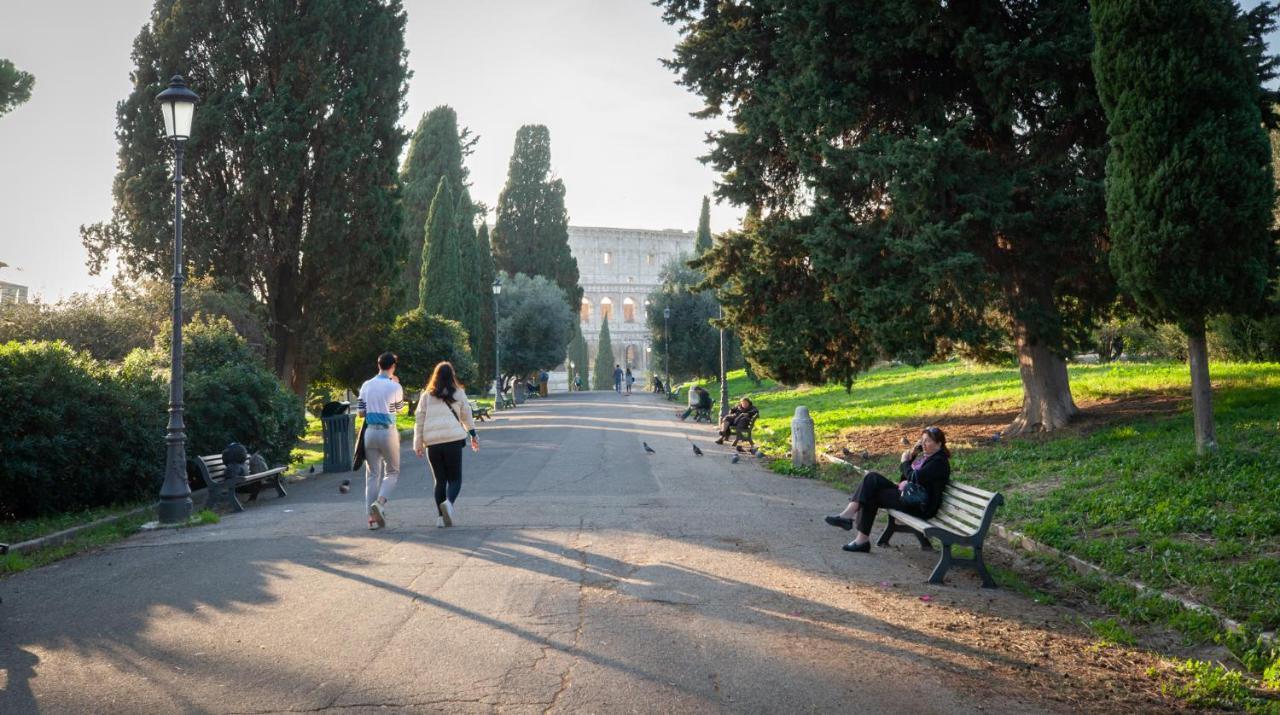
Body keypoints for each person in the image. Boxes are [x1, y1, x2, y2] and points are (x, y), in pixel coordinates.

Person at [824, 426, 951, 552]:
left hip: (921, 505)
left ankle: (857, 534)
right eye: (922, 440)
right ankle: (852, 524)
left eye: (927, 441)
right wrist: (912, 456)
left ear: (939, 444)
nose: (923, 444)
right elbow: (905, 478)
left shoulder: (939, 461)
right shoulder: (927, 458)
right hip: (911, 496)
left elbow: (913, 478)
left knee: (872, 492)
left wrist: (905, 462)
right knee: (871, 478)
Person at [413, 361, 479, 528]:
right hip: (453, 441)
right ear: (452, 376)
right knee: (455, 478)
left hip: (432, 443)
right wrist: (473, 434)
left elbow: (419, 420)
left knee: (440, 480)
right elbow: (466, 416)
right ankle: (449, 504)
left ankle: (440, 518)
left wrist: (418, 443)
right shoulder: (458, 393)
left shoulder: (427, 395)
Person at [357, 352, 404, 530]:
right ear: (393, 367)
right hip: (387, 432)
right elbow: (398, 409)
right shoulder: (394, 387)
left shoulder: (366, 385)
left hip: (370, 432)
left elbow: (361, 412)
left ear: (378, 365)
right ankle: (381, 503)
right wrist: (396, 385)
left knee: (372, 475)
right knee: (392, 471)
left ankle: (371, 518)